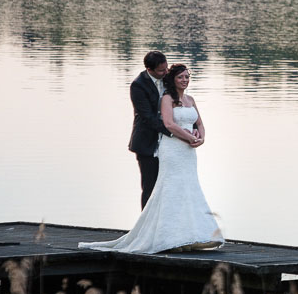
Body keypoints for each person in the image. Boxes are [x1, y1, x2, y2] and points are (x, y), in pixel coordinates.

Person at [82, 63, 225, 253]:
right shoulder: (166, 99)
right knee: (171, 188)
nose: (185, 80)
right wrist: (189, 137)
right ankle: (168, 238)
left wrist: (202, 137)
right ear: (172, 80)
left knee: (189, 188)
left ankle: (190, 236)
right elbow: (169, 124)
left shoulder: (191, 99)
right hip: (173, 149)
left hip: (189, 152)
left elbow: (199, 122)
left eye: (187, 77)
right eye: (180, 77)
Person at [130, 51, 172, 209]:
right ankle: (146, 228)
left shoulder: (168, 79)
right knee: (150, 187)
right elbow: (147, 116)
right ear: (149, 69)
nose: (165, 72)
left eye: (166, 68)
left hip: (168, 144)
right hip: (146, 142)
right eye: (161, 70)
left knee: (169, 186)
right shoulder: (138, 85)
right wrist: (172, 131)